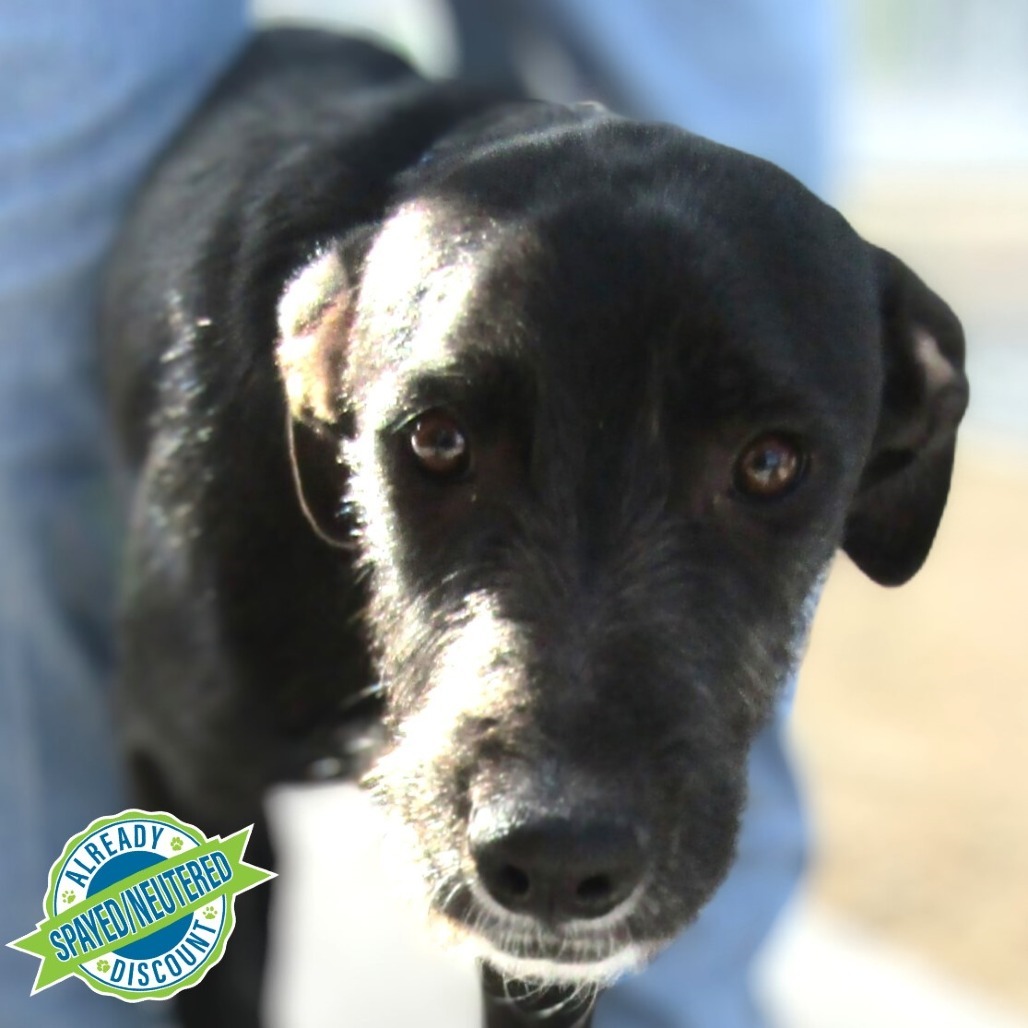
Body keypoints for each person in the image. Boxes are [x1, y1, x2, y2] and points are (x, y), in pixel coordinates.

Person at [0, 3, 836, 1025]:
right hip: (257, 438)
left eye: (763, 466)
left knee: (715, 235)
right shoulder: (237, 534)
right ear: (321, 366)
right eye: (443, 445)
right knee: (38, 418)